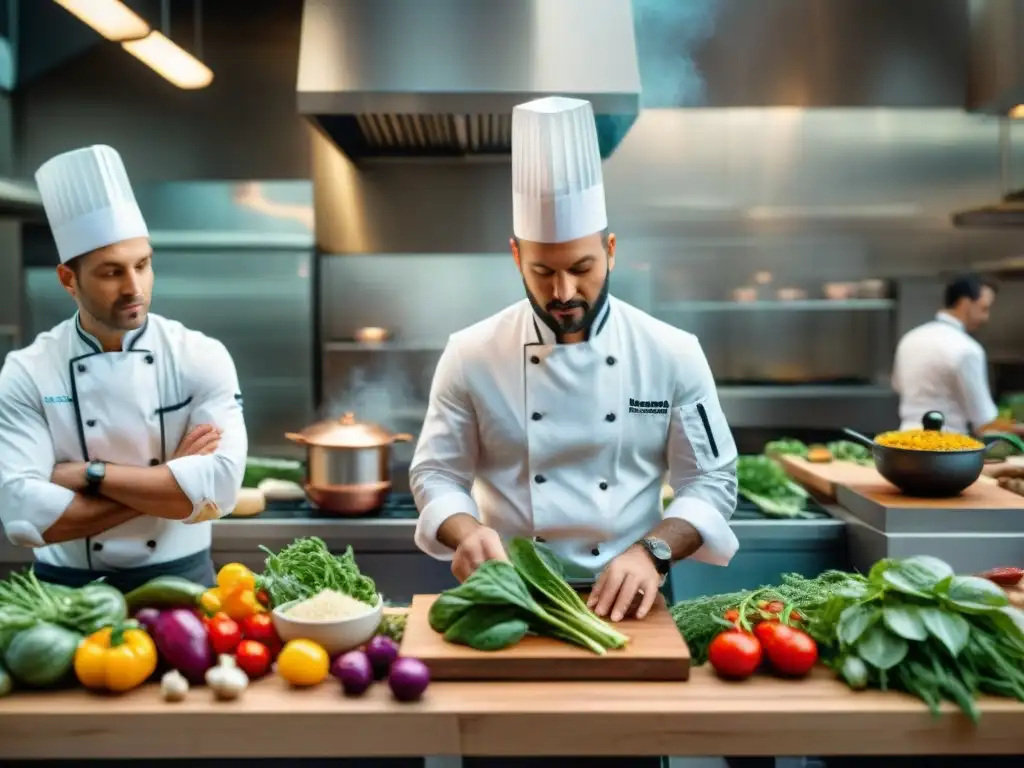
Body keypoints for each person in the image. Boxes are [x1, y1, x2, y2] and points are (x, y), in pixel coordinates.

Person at [410, 96, 739, 624]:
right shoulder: (471, 353)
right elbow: (436, 473)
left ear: (610, 250)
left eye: (582, 267)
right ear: (517, 255)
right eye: (543, 271)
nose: (563, 291)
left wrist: (653, 552)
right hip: (509, 595)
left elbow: (713, 480)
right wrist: (466, 531)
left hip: (634, 599)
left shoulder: (672, 352)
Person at [0, 145, 247, 592]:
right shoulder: (27, 371)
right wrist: (172, 480)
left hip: (183, 587)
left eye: (143, 264)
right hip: (63, 596)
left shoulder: (200, 355)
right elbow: (24, 518)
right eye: (112, 272)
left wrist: (91, 475)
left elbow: (220, 490)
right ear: (68, 279)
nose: (134, 287)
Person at [892, 273, 1020, 436]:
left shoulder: (910, 338)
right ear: (966, 304)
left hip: (905, 441)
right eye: (984, 309)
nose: (986, 318)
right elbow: (984, 420)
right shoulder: (967, 349)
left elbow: (897, 385)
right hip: (948, 447)